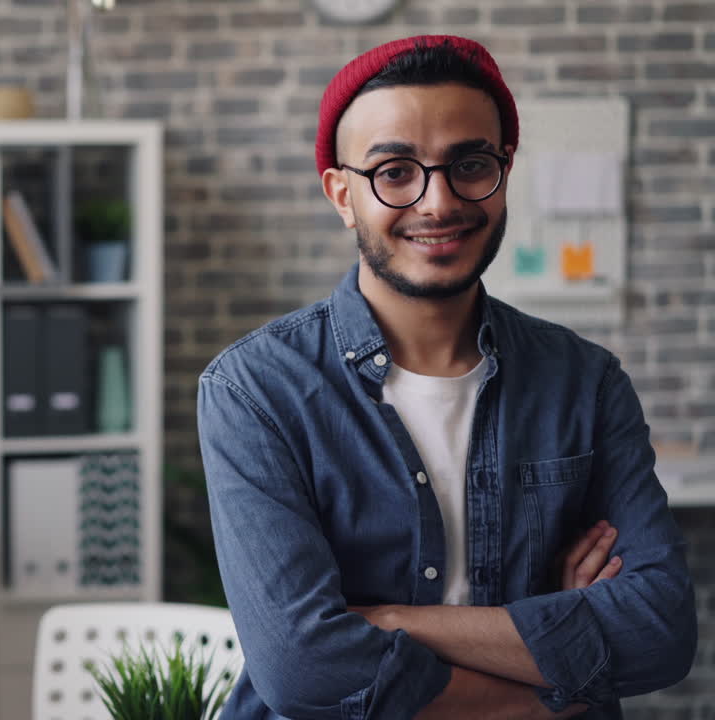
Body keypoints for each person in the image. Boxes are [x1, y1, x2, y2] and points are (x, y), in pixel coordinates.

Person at [198, 35, 696, 720]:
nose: (438, 202)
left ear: (504, 170)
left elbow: (661, 632)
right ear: (342, 194)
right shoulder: (255, 391)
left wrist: (390, 622)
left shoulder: (586, 381)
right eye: (395, 171)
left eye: (469, 164)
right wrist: (554, 685)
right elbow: (302, 668)